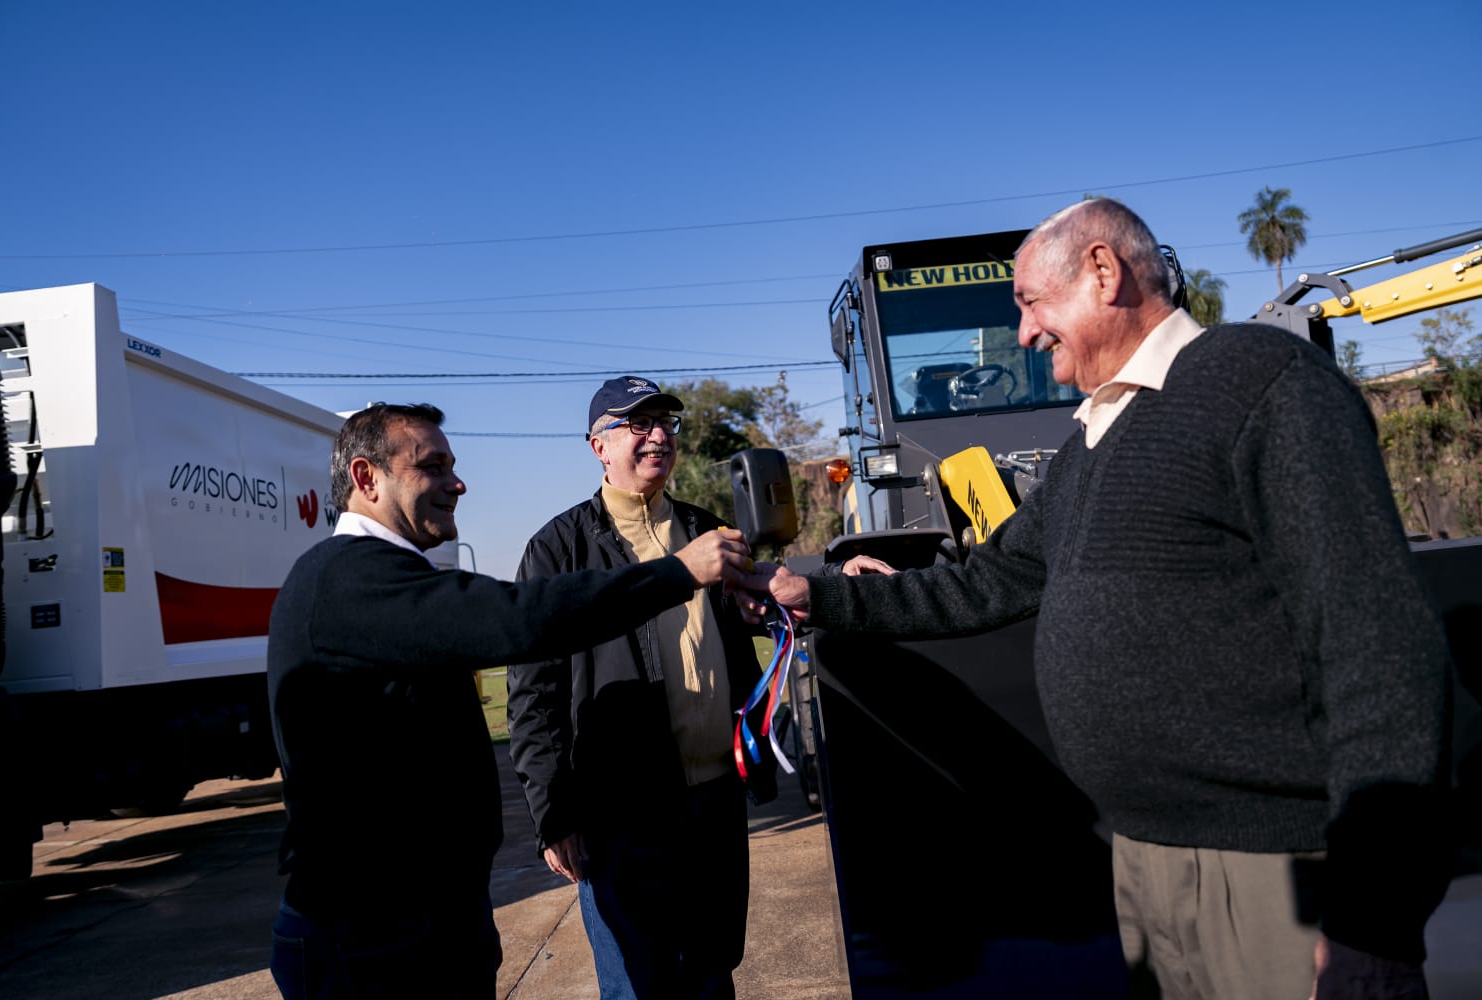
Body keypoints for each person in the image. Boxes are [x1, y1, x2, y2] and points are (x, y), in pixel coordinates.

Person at [751, 198, 1454, 1000]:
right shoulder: (1093, 440)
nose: (1023, 333)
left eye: (1029, 303)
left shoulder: (1259, 382)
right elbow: (991, 579)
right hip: (1144, 862)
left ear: (1102, 271)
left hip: (1268, 871)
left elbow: (1378, 647)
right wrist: (824, 599)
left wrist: (1375, 919)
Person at [266, 402, 757, 1000]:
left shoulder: (381, 575)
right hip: (368, 936)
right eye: (432, 466)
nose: (457, 483)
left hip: (418, 922)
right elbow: (521, 625)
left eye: (453, 466)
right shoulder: (349, 578)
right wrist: (676, 574)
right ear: (367, 478)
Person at [508, 376, 765, 999]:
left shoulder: (708, 531)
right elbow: (533, 695)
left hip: (713, 803)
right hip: (620, 814)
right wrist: (553, 814)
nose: (657, 436)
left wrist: (834, 578)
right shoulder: (558, 549)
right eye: (637, 423)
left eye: (665, 422)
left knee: (712, 975)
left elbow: (764, 613)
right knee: (637, 987)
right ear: (598, 446)